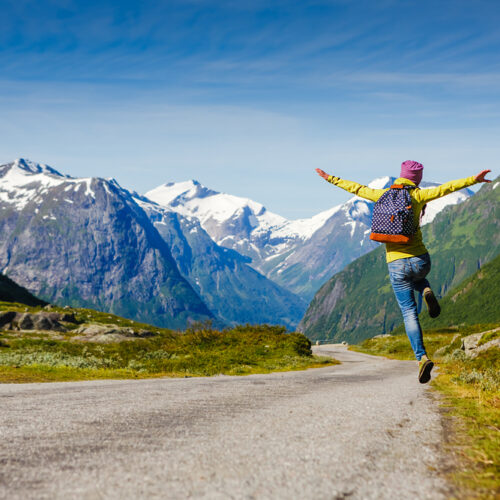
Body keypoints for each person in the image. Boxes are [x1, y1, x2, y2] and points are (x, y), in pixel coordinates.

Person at [315, 161, 492, 383]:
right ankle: (425, 288)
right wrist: (474, 180)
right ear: (416, 178)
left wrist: (331, 178)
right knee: (419, 277)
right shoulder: (418, 196)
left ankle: (422, 358)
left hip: (396, 265)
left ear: (401, 176)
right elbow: (447, 188)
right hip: (420, 261)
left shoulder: (381, 194)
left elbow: (356, 188)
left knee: (409, 312)